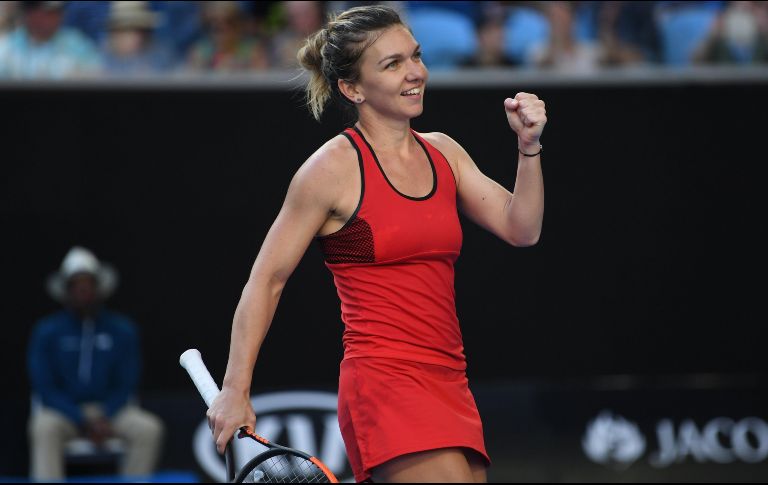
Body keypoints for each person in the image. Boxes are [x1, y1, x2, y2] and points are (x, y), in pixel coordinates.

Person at [206, 4, 545, 483]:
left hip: (450, 379)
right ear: (352, 88)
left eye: (415, 56)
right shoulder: (328, 171)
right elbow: (268, 280)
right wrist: (235, 388)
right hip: (383, 383)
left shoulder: (445, 152)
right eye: (392, 64)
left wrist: (528, 147)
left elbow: (521, 228)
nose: (416, 73)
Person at [27, 246, 164, 481]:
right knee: (43, 427)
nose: (83, 290)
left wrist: (104, 415)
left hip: (111, 410)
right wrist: (81, 418)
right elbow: (45, 388)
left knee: (149, 429)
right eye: (76, 284)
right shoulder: (47, 332)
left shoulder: (122, 330)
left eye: (88, 283)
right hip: (64, 412)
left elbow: (127, 383)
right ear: (66, 290)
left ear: (98, 288)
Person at [0, 1, 101, 79]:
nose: (57, 17)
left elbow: (95, 78)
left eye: (58, 12)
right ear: (30, 14)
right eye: (48, 13)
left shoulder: (77, 43)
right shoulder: (6, 48)